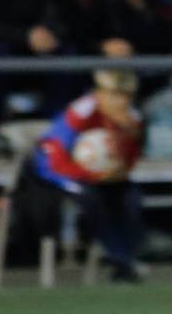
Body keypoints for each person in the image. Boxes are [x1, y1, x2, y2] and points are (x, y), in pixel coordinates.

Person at [25, 68, 145, 281]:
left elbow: (129, 161)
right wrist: (91, 174)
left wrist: (127, 144)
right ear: (99, 94)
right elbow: (54, 161)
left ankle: (128, 256)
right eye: (115, 95)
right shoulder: (80, 114)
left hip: (101, 177)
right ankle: (118, 258)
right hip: (54, 175)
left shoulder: (132, 119)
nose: (121, 102)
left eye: (126, 96)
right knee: (92, 200)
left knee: (131, 198)